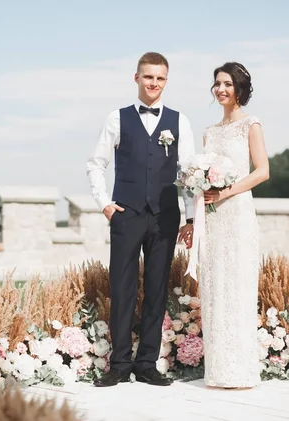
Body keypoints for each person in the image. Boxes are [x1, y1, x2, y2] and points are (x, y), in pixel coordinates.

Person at [86, 52, 195, 387]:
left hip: (165, 217)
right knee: (122, 288)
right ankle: (119, 364)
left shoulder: (180, 122)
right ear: (137, 78)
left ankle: (146, 363)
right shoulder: (117, 119)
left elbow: (190, 174)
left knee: (157, 290)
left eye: (160, 78)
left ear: (166, 81)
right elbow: (95, 163)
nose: (154, 83)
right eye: (148, 77)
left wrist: (191, 219)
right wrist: (104, 203)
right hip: (127, 214)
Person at [200, 62, 269, 388]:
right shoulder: (209, 132)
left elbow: (262, 171)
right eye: (217, 83)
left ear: (240, 89)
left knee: (238, 287)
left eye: (227, 83)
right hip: (213, 218)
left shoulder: (250, 125)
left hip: (237, 212)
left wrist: (226, 191)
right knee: (214, 286)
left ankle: (241, 370)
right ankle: (217, 370)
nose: (221, 89)